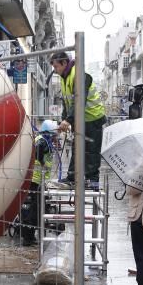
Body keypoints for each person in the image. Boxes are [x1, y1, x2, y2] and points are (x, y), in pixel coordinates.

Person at [49, 51, 106, 190]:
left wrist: (68, 120)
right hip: (80, 120)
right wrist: (65, 119)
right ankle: (72, 178)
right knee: (77, 149)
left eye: (56, 67)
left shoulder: (79, 75)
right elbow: (67, 102)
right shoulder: (65, 77)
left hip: (93, 118)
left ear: (64, 63)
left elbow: (79, 100)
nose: (55, 71)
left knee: (91, 152)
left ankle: (93, 183)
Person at [20, 120, 59, 246]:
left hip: (36, 180)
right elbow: (38, 153)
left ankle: (29, 236)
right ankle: (28, 237)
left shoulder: (42, 140)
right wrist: (42, 163)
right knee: (34, 209)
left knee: (34, 208)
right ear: (49, 132)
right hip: (35, 180)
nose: (55, 137)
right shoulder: (42, 141)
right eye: (54, 134)